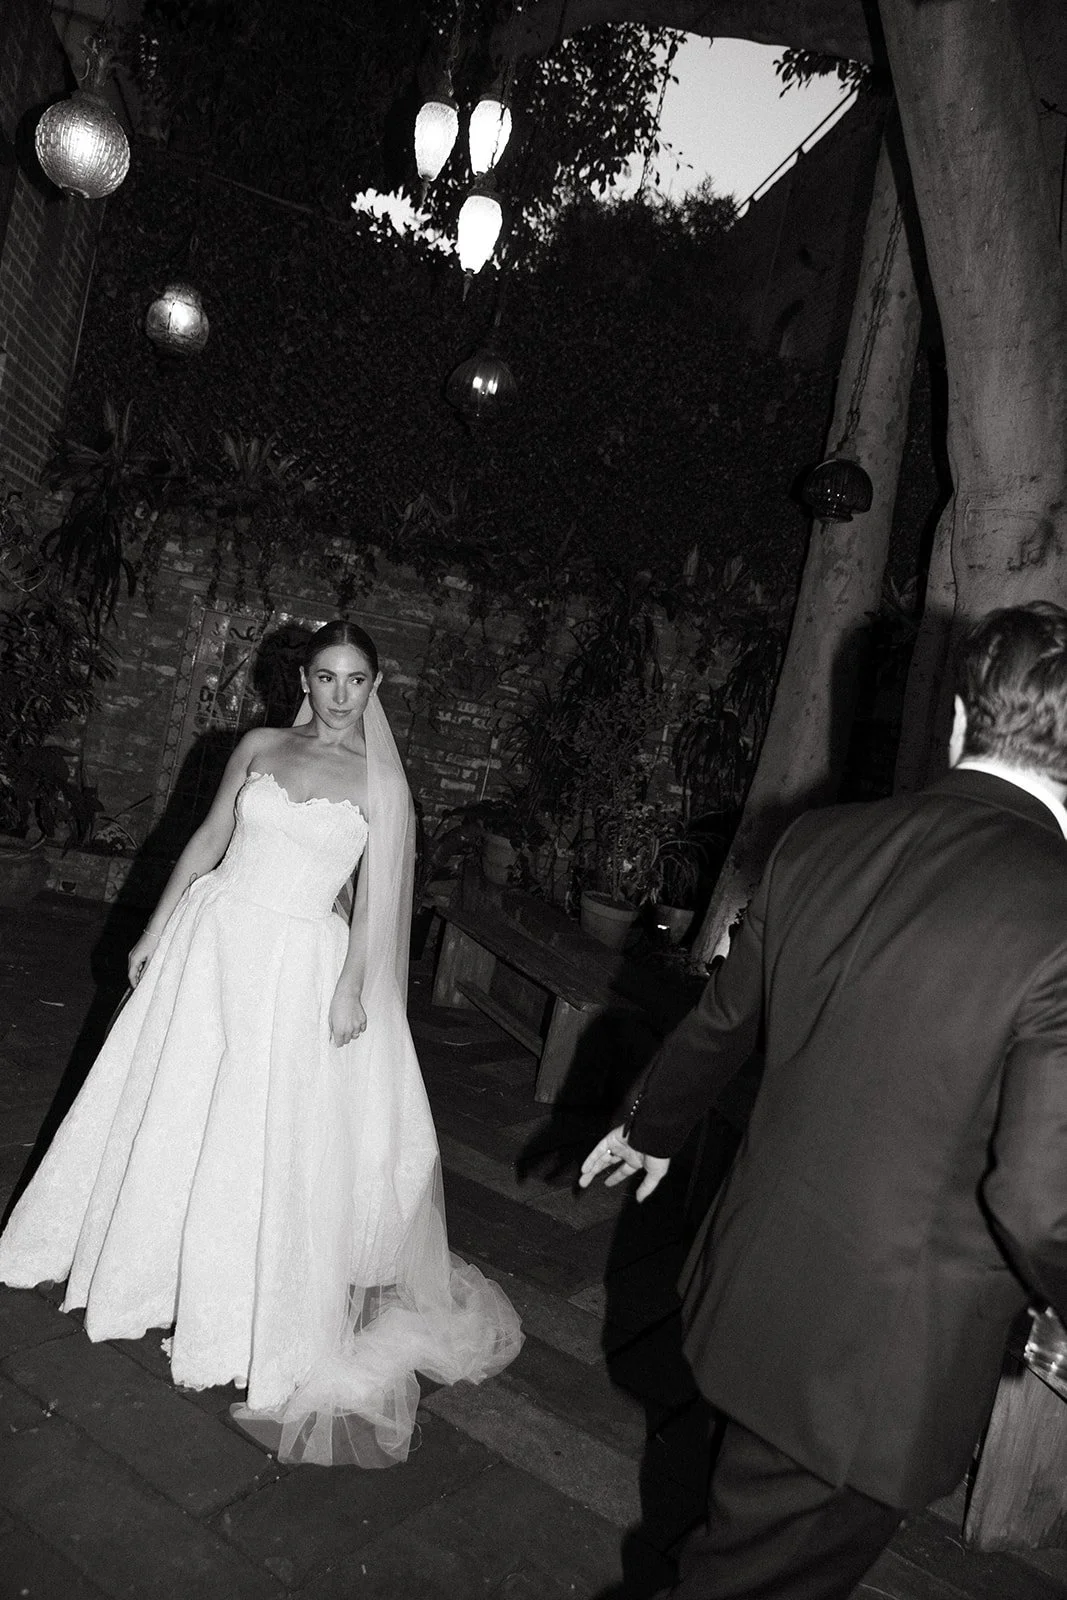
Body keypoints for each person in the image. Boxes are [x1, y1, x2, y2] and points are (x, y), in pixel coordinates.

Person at [582, 600, 1067, 1599]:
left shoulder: (818, 840)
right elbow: (1035, 1200)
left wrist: (651, 1124)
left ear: (955, 723)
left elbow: (720, 1023)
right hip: (865, 1372)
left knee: (724, 1531)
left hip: (748, 1294)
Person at [0, 619, 522, 1466]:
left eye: (357, 680)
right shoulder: (260, 744)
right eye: (326, 677)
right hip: (214, 937)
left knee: (254, 1123)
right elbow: (207, 840)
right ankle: (138, 1261)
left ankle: (234, 1298)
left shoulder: (381, 786)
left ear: (375, 686)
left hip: (296, 962)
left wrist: (352, 985)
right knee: (171, 1097)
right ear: (304, 680)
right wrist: (155, 930)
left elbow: (377, 901)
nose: (340, 695)